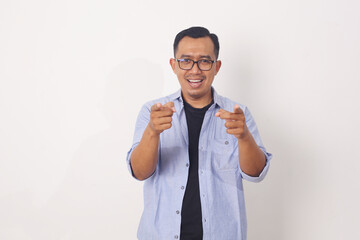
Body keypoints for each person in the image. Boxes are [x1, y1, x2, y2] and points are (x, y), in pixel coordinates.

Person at [126, 26, 272, 240]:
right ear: (174, 65)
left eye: (204, 61)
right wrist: (152, 132)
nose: (195, 70)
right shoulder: (153, 112)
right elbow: (139, 172)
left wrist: (243, 137)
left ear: (217, 66)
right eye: (186, 61)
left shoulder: (237, 114)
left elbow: (256, 174)